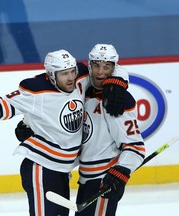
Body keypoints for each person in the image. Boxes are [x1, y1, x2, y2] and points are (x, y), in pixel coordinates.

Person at [0, 48, 128, 216]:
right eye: (63, 74)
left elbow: (109, 67)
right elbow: (0, 106)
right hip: (41, 168)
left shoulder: (81, 77)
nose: (70, 78)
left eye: (71, 71)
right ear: (51, 75)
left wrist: (119, 81)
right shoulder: (36, 91)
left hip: (61, 171)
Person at [75, 44, 146, 216]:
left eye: (107, 67)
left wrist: (121, 170)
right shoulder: (82, 89)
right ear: (90, 65)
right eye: (96, 65)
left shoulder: (116, 100)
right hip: (86, 178)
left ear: (114, 68)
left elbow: (135, 147)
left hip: (104, 180)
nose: (100, 72)